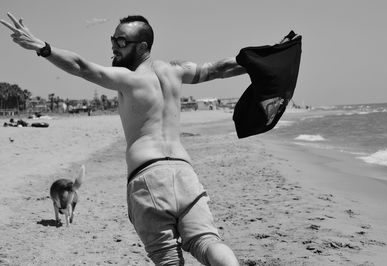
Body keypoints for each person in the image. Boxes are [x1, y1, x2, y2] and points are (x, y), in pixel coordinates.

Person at [1, 12, 293, 265]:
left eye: (121, 42)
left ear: (143, 46)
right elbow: (221, 68)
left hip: (149, 178)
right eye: (113, 39)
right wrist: (269, 57)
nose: (114, 46)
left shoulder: (127, 78)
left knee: (167, 258)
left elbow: (80, 66)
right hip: (184, 173)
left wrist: (43, 47)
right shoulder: (175, 71)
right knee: (207, 243)